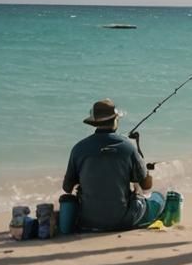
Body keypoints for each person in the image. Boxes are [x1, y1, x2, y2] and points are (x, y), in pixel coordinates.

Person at [63, 99, 165, 231]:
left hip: (87, 220)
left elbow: (67, 188)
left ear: (95, 123)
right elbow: (146, 186)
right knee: (159, 198)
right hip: (123, 221)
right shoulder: (128, 147)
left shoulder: (78, 148)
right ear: (115, 120)